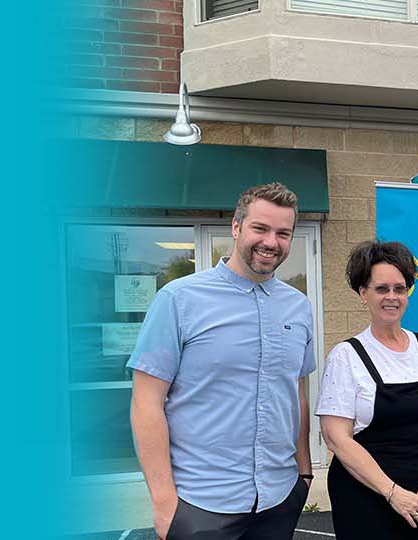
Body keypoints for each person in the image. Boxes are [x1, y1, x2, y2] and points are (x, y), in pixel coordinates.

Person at [128, 183, 316, 540]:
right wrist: (164, 501)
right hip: (201, 503)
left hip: (278, 497)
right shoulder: (179, 299)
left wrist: (303, 471)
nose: (271, 242)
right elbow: (146, 401)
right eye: (260, 228)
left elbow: (297, 388)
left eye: (283, 233)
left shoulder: (299, 306)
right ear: (236, 226)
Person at [317, 240, 418, 539]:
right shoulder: (347, 356)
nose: (392, 297)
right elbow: (336, 438)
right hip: (367, 495)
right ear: (363, 293)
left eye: (400, 288)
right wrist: (392, 493)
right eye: (381, 289)